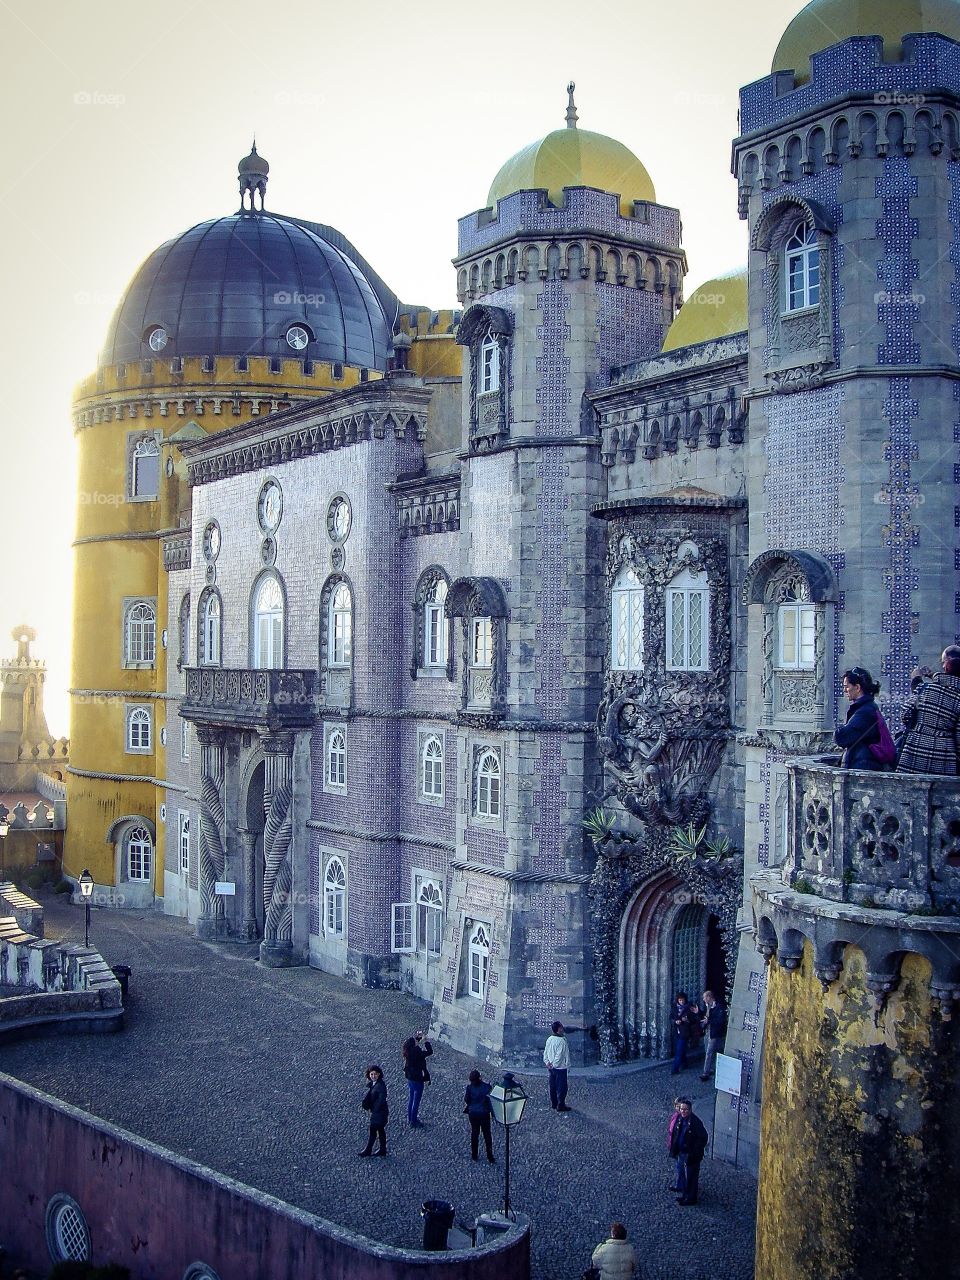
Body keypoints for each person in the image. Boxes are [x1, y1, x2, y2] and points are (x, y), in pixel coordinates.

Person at [898, 647, 960, 775]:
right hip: (945, 760)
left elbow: (906, 715)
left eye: (943, 662)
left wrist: (916, 681)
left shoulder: (925, 689)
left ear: (947, 664)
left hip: (915, 753)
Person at [835, 667, 886, 770]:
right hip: (862, 762)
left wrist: (837, 732)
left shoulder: (865, 711)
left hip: (863, 764)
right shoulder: (865, 708)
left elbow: (842, 737)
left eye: (846, 686)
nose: (844, 690)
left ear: (857, 687)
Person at [669, 1098, 709, 1205]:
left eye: (686, 1109)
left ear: (690, 1110)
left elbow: (703, 1137)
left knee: (691, 1176)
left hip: (691, 1154)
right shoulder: (680, 1119)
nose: (683, 1111)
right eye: (682, 1109)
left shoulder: (695, 1122)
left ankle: (691, 1198)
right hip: (682, 1151)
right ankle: (685, 1194)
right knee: (684, 1173)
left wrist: (695, 1151)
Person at [401, 1029, 433, 1128]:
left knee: (411, 1099)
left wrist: (419, 1037)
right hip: (417, 1078)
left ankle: (410, 1118)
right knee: (416, 1100)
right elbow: (429, 1052)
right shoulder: (417, 1052)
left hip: (410, 1078)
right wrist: (426, 1041)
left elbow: (414, 1043)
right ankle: (413, 1121)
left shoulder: (409, 1051)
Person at [463, 1068, 496, 1163]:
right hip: (484, 1114)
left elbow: (466, 1099)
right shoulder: (487, 1087)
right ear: (480, 1077)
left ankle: (474, 1155)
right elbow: (491, 1101)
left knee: (474, 1133)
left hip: (473, 1113)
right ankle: (490, 1156)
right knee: (487, 1135)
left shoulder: (469, 1088)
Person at [359, 1064, 389, 1157]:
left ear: (379, 1074)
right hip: (380, 1112)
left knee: (373, 1131)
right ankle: (382, 1150)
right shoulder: (377, 1084)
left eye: (375, 1074)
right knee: (380, 1130)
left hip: (379, 1113)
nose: (373, 1076)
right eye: (372, 1074)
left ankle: (368, 1150)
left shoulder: (379, 1086)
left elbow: (381, 1100)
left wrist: (373, 1109)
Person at [543, 1020, 571, 1111]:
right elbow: (559, 1055)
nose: (563, 1028)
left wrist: (547, 1063)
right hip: (560, 1067)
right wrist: (554, 1065)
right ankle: (560, 1105)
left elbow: (546, 1052)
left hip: (551, 1067)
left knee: (553, 1086)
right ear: (559, 1029)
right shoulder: (561, 1041)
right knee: (562, 1087)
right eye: (561, 1027)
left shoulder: (549, 1039)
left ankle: (554, 1103)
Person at [700, 990, 727, 1081]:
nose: (703, 999)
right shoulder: (708, 1007)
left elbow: (720, 1021)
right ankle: (710, 1068)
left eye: (704, 997)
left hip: (714, 1032)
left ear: (709, 997)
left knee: (709, 1052)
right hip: (707, 1031)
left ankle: (705, 1073)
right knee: (707, 1050)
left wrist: (709, 1021)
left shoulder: (718, 1007)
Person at [671, 993, 694, 1074]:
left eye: (683, 1000)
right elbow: (672, 1017)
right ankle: (684, 1063)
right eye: (680, 1000)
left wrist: (687, 1020)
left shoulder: (689, 1008)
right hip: (677, 1031)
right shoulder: (674, 1008)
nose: (681, 1001)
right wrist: (676, 1021)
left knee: (679, 1050)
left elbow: (694, 1020)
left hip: (685, 1031)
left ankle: (675, 1068)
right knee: (681, 1049)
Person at [666, 1097, 683, 1191]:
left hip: (679, 1147)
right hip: (675, 1145)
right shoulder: (676, 1116)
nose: (677, 1108)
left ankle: (680, 1185)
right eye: (676, 1106)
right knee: (679, 1166)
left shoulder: (682, 1118)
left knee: (680, 1166)